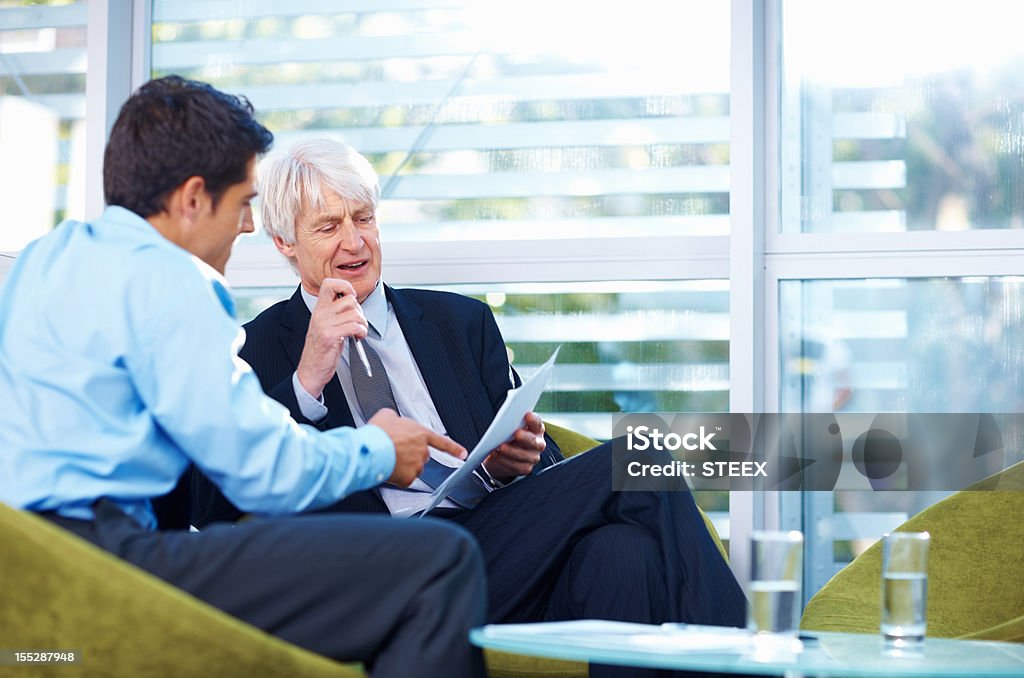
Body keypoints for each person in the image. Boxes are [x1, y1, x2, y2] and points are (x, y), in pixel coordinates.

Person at [190, 138, 747, 678]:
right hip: (390, 574)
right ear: (285, 242)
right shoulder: (256, 347)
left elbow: (544, 461)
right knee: (643, 461)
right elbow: (214, 506)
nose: (355, 242)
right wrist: (308, 379)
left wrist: (520, 460)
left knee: (623, 554)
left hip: (504, 545)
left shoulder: (462, 323)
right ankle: (750, 665)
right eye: (329, 227)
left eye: (363, 218)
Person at [0, 77, 487, 678]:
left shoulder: (48, 258)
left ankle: (641, 462)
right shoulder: (174, 281)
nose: (248, 227)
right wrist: (378, 450)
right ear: (195, 198)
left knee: (631, 481)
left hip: (21, 572)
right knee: (440, 561)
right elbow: (263, 474)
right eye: (242, 202)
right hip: (107, 567)